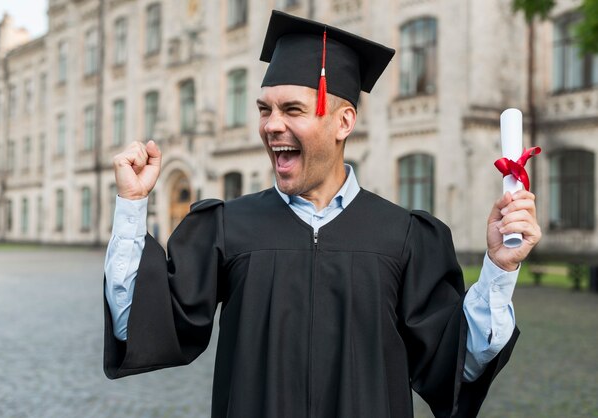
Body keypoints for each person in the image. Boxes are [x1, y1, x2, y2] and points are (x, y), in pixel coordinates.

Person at [103, 10, 541, 418]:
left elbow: (458, 364)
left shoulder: (403, 237)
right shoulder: (227, 228)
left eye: (292, 109)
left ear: (344, 122)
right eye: (264, 109)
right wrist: (132, 206)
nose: (272, 125)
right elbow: (142, 323)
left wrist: (499, 271)